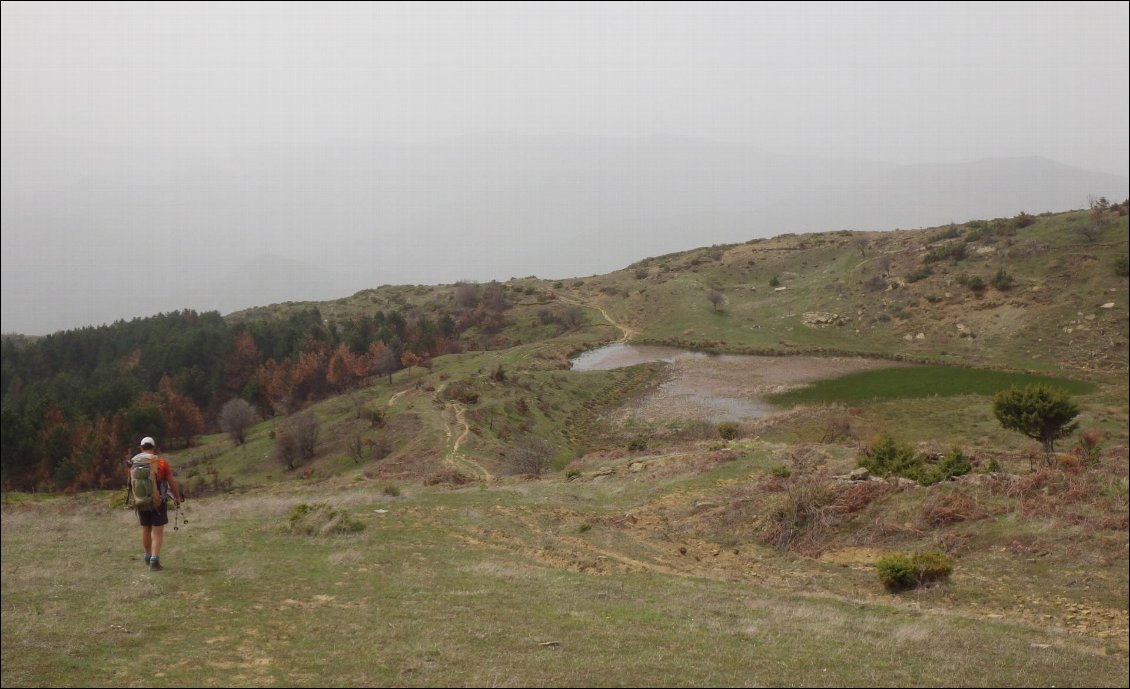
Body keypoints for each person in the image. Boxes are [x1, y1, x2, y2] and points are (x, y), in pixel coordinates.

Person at [128, 436, 184, 571]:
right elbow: (171, 482)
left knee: (146, 529)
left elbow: (130, 483)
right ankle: (154, 561)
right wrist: (177, 497)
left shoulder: (133, 463)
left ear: (141, 448)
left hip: (140, 501)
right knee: (157, 532)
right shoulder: (161, 463)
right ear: (154, 447)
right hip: (158, 501)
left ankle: (147, 556)